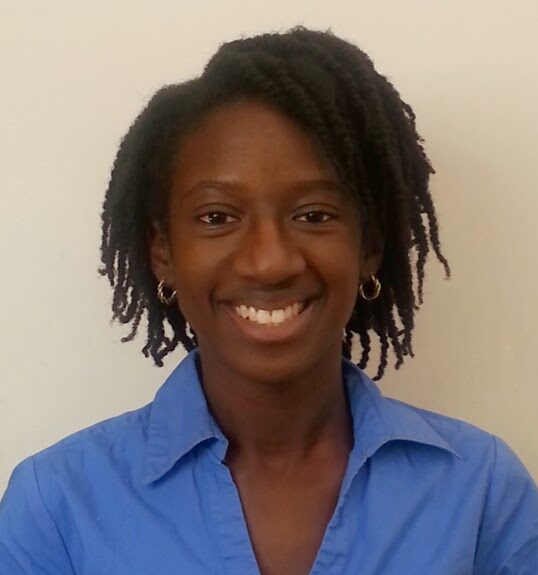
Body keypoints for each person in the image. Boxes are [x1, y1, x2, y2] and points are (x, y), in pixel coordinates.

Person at [1, 26, 537, 575]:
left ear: (368, 248)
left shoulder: (483, 494)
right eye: (217, 217)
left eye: (314, 215)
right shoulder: (56, 508)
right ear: (162, 252)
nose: (270, 262)